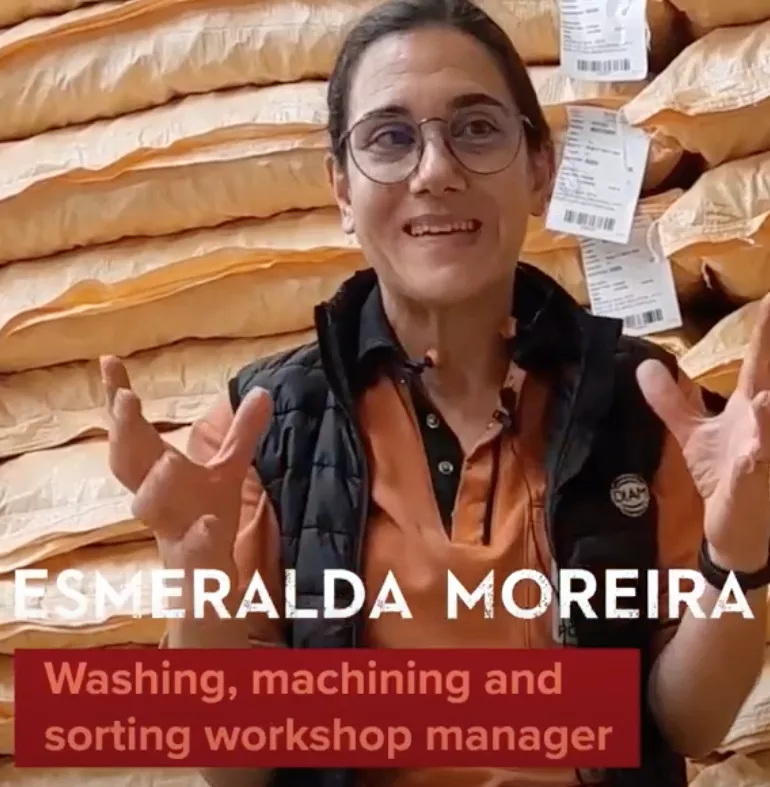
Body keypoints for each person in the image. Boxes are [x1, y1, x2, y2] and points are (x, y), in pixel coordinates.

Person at [100, 0, 770, 785]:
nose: (435, 171)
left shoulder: (646, 401)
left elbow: (686, 722)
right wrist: (197, 575)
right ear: (342, 190)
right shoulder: (262, 425)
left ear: (540, 170)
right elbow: (236, 770)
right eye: (390, 138)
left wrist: (739, 555)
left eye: (477, 129)